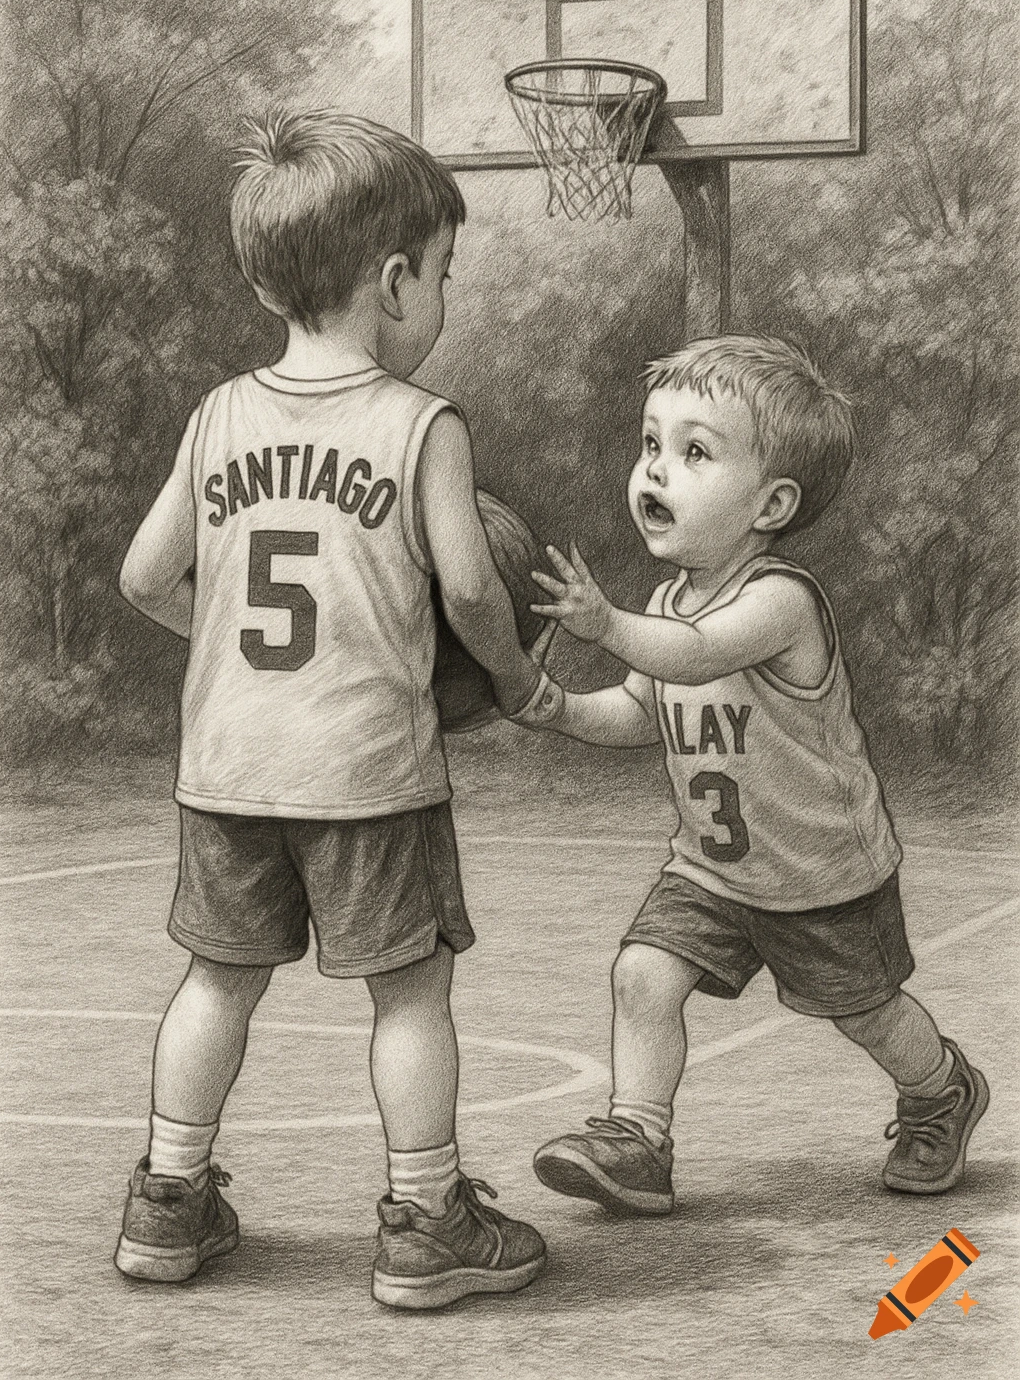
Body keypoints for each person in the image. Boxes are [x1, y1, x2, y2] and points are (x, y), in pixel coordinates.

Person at [114, 110, 548, 1308]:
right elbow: (466, 584)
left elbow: (146, 579)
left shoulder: (218, 416)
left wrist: (238, 661)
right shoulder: (421, 425)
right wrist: (510, 678)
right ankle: (424, 1219)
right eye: (443, 275)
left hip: (228, 770)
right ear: (397, 279)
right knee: (409, 991)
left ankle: (167, 1199)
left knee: (215, 982)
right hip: (369, 775)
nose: (441, 297)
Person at [520, 335, 988, 1215]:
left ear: (772, 502)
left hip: (822, 876)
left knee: (868, 1014)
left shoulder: (781, 601)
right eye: (651, 444)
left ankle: (940, 1091)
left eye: (694, 452)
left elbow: (694, 659)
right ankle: (638, 1139)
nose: (656, 470)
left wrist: (602, 622)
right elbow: (641, 709)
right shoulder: (666, 604)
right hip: (711, 872)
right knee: (641, 974)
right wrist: (551, 706)